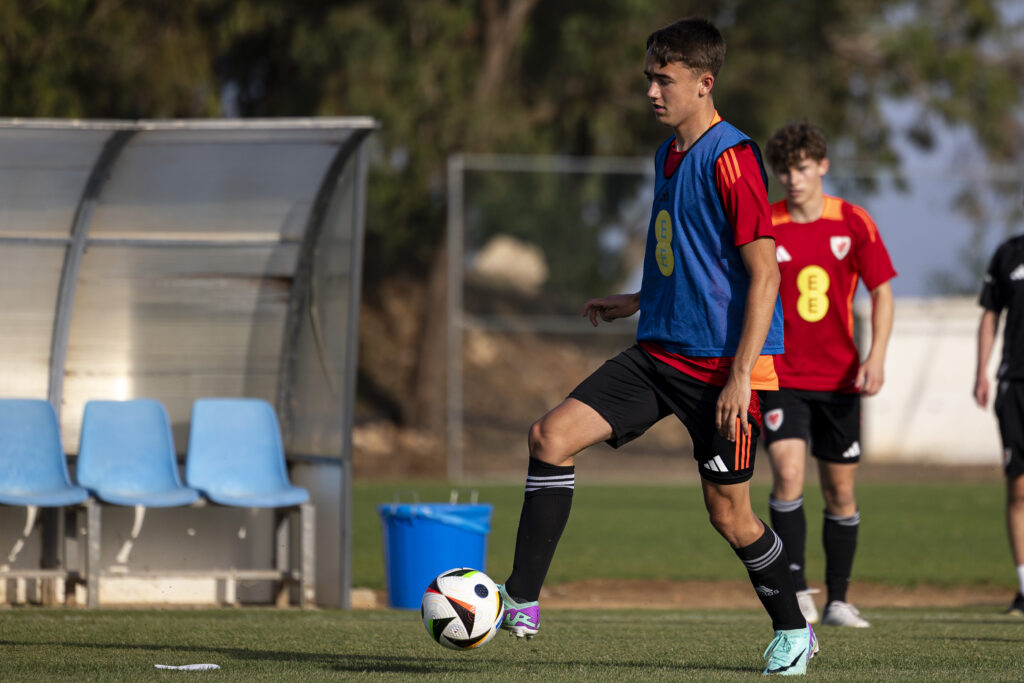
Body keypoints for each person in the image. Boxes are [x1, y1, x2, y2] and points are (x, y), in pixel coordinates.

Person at [496, 17, 817, 675]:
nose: (651, 90)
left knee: (730, 516)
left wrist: (740, 376)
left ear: (704, 82)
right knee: (549, 436)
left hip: (721, 371)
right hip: (658, 353)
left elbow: (764, 274)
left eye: (664, 79)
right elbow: (692, 258)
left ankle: (795, 628)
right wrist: (638, 298)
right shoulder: (667, 155)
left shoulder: (733, 157)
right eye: (648, 77)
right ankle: (520, 599)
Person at [761, 122, 896, 628]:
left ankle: (839, 599)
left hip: (840, 380)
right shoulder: (767, 222)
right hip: (781, 375)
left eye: (801, 168)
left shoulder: (853, 221)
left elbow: (881, 292)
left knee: (839, 491)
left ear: (822, 166)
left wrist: (876, 356)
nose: (792, 179)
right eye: (784, 170)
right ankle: (797, 591)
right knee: (787, 474)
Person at [974, 230, 1024, 616]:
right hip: (1015, 385)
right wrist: (982, 372)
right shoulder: (1008, 253)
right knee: (1019, 488)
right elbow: (990, 315)